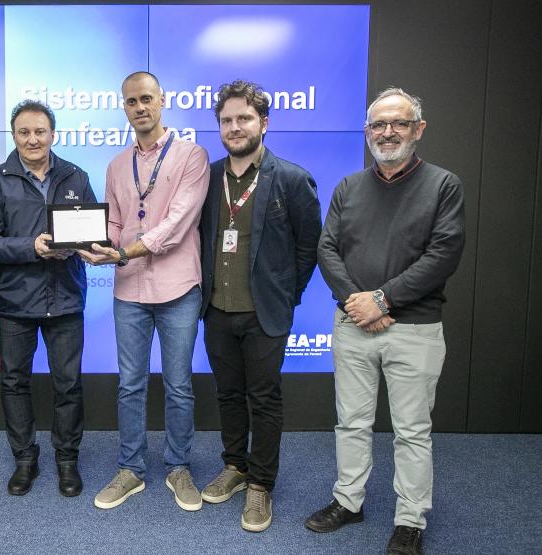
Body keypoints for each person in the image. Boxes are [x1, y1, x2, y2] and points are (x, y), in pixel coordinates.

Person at [305, 88, 465, 555]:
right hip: (353, 325)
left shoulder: (443, 185)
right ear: (367, 132)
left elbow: (443, 254)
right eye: (378, 124)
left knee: (412, 431)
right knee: (351, 423)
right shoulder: (349, 187)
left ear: (418, 129)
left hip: (414, 329)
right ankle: (348, 501)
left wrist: (383, 300)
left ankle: (410, 520)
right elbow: (326, 248)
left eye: (399, 123)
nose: (388, 132)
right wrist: (359, 303)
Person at [80, 72, 210, 512]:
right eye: (132, 101)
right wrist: (97, 245)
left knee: (179, 386)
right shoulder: (117, 165)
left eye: (147, 99)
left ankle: (179, 467)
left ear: (162, 101)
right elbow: (115, 222)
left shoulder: (192, 156)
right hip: (129, 291)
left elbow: (177, 225)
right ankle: (130, 468)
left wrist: (121, 253)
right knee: (130, 385)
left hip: (178, 289)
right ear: (124, 107)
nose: (140, 107)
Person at [198, 80, 321, 532]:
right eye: (226, 120)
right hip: (216, 308)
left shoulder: (291, 178)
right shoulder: (207, 177)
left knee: (264, 399)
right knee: (228, 394)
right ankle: (235, 466)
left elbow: (309, 247)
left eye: (244, 118)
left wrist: (287, 295)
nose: (235, 127)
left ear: (264, 123)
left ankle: (260, 484)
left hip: (265, 313)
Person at [0, 100, 95, 497]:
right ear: (14, 136)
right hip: (14, 302)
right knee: (14, 382)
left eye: (40, 131)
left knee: (68, 384)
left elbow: (93, 231)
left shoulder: (76, 176)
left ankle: (67, 459)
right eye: (24, 132)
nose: (32, 139)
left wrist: (83, 245)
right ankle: (25, 458)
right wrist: (33, 247)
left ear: (52, 134)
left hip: (66, 299)